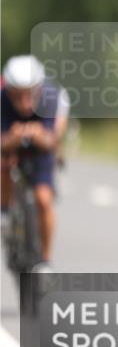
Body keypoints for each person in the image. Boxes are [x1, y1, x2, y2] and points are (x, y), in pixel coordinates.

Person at [1, 55, 67, 266]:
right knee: (3, 164)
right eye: (17, 97)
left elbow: (52, 140)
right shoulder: (2, 99)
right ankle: (4, 212)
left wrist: (41, 137)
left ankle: (45, 261)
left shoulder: (51, 97)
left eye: (29, 96)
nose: (24, 103)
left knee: (43, 199)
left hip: (43, 146)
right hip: (10, 144)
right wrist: (13, 140)